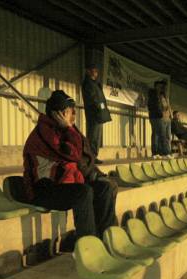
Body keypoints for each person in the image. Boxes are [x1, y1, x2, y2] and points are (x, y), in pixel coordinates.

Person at [23, 90, 118, 241]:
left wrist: (97, 175)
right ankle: (89, 245)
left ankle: (108, 239)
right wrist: (69, 128)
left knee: (104, 188)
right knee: (83, 192)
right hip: (43, 189)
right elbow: (73, 154)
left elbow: (85, 156)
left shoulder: (62, 130)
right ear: (58, 114)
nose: (74, 116)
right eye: (70, 112)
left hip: (63, 183)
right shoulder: (45, 132)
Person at [81, 64, 109, 164]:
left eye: (96, 71)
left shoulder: (95, 83)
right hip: (94, 114)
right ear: (87, 71)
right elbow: (94, 99)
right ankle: (91, 157)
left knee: (96, 137)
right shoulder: (88, 83)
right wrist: (100, 107)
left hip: (98, 114)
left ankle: (93, 156)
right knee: (93, 136)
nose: (95, 73)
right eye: (93, 70)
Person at [147, 80, 173, 159]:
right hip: (157, 117)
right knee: (159, 135)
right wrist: (160, 113)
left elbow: (166, 106)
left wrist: (170, 114)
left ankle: (161, 152)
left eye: (162, 87)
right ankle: (161, 152)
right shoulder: (154, 95)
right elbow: (153, 106)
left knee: (162, 135)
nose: (161, 88)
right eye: (160, 86)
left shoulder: (163, 96)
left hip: (162, 117)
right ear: (156, 86)